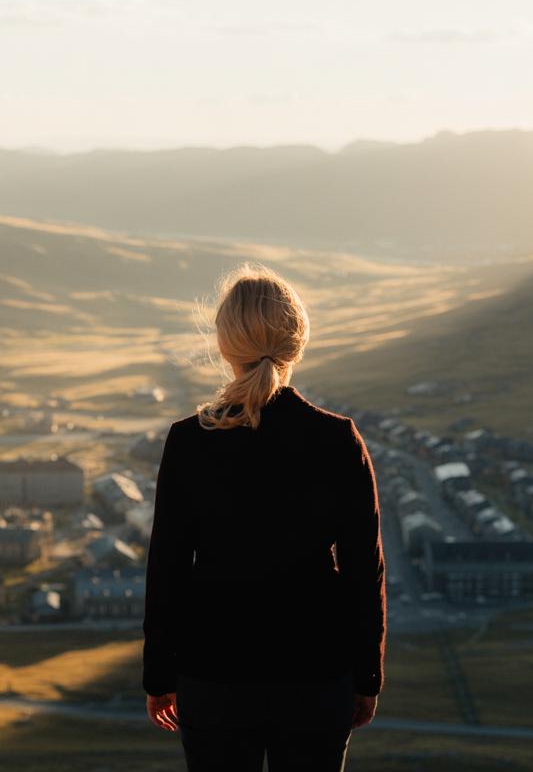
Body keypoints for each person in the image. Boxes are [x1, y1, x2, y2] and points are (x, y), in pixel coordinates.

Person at [142, 264, 386, 771]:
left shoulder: (189, 441)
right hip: (316, 676)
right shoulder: (338, 440)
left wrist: (158, 675)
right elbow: (365, 571)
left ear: (224, 343)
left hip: (213, 674)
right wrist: (367, 678)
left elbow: (167, 566)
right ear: (297, 341)